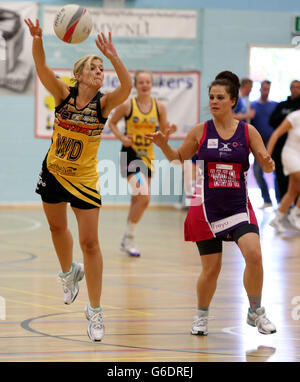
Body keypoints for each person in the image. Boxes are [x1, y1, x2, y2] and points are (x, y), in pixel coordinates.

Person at [24, 18, 132, 341]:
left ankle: (96, 311)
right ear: (80, 75)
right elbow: (40, 65)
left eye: (102, 69)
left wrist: (113, 56)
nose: (100, 72)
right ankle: (68, 273)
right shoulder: (63, 94)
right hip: (54, 172)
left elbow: (125, 88)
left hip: (84, 180)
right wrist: (38, 38)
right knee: (57, 229)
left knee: (91, 243)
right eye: (95, 68)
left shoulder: (104, 103)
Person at [147, 71, 276, 336]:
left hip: (238, 205)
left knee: (254, 254)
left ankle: (256, 311)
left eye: (220, 97)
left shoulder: (247, 131)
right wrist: (163, 145)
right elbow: (177, 158)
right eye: (211, 97)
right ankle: (201, 316)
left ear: (232, 101)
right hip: (206, 207)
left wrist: (267, 162)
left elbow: (265, 163)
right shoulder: (200, 131)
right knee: (211, 269)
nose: (214, 101)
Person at [108, 70, 177, 257]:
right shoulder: (128, 105)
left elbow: (163, 134)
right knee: (145, 197)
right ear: (136, 85)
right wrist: (122, 137)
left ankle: (127, 239)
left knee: (137, 199)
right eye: (141, 82)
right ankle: (129, 238)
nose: (145, 85)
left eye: (148, 82)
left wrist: (170, 130)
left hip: (148, 156)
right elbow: (112, 123)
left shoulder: (159, 107)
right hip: (130, 155)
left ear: (152, 84)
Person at [268, 109, 300, 232]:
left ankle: (277, 218)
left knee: (293, 191)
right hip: (290, 155)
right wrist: (267, 155)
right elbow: (276, 134)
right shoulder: (295, 116)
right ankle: (295, 214)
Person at [269, 80, 300, 201]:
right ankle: (282, 205)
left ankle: (288, 213)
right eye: (293, 87)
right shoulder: (282, 106)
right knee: (281, 178)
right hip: (283, 148)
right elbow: (273, 124)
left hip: (297, 148)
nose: (295, 89)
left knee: (293, 188)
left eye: (298, 87)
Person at [251, 80, 279, 207]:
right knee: (257, 171)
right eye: (263, 88)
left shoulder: (275, 105)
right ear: (260, 89)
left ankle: (280, 202)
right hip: (258, 144)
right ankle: (267, 200)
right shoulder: (253, 106)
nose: (265, 91)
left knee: (276, 171)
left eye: (268, 89)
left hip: (273, 142)